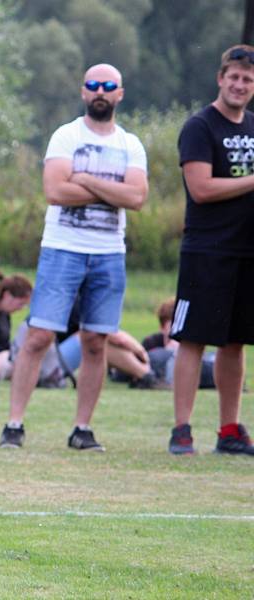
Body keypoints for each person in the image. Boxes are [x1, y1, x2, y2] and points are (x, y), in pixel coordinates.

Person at [0, 63, 149, 451]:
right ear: (83, 92)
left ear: (120, 93)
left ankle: (82, 429)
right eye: (93, 85)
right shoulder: (66, 136)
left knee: (96, 342)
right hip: (62, 249)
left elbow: (137, 198)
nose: (100, 91)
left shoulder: (130, 145)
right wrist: (111, 189)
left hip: (108, 254)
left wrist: (84, 180)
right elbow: (55, 191)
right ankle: (14, 424)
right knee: (38, 337)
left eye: (108, 86)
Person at [167, 45, 254, 456]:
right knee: (193, 339)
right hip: (206, 252)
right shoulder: (200, 126)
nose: (240, 85)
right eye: (234, 77)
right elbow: (201, 189)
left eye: (248, 79)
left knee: (235, 342)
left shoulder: (253, 127)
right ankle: (182, 429)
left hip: (246, 253)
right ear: (220, 79)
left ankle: (229, 429)